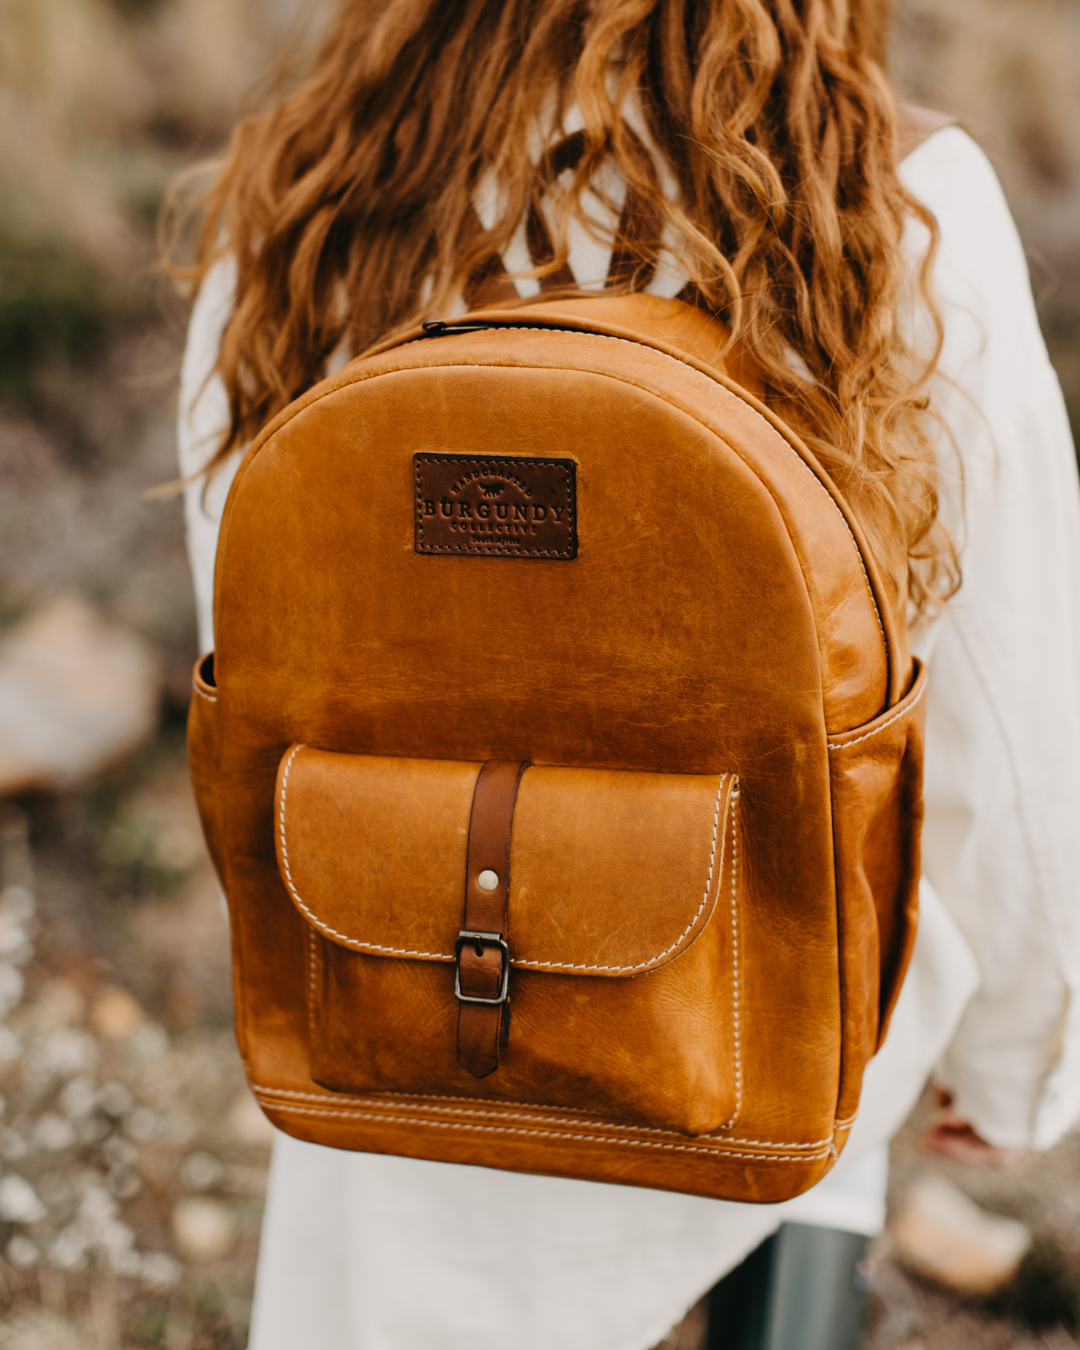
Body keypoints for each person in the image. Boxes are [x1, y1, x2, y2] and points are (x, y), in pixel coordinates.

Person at [174, 2, 1080, 1347]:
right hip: (758, 1038)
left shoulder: (322, 182)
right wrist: (1016, 1060)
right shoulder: (884, 195)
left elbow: (248, 617)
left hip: (390, 1018)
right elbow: (1008, 711)